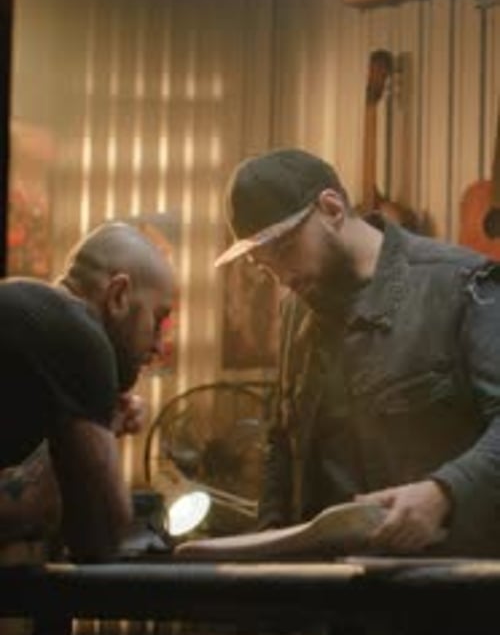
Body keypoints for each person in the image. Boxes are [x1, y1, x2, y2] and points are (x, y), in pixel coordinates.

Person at [215, 148, 500, 556]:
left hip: (449, 590)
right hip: (331, 597)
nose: (280, 278)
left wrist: (445, 492)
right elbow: (282, 440)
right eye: (263, 266)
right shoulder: (298, 308)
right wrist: (267, 553)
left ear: (331, 209)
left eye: (282, 250)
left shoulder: (459, 286)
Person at [0, 221, 174, 562]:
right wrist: (106, 423)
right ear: (119, 296)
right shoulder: (80, 336)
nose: (158, 347)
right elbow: (101, 539)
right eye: (158, 320)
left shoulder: (37, 320)